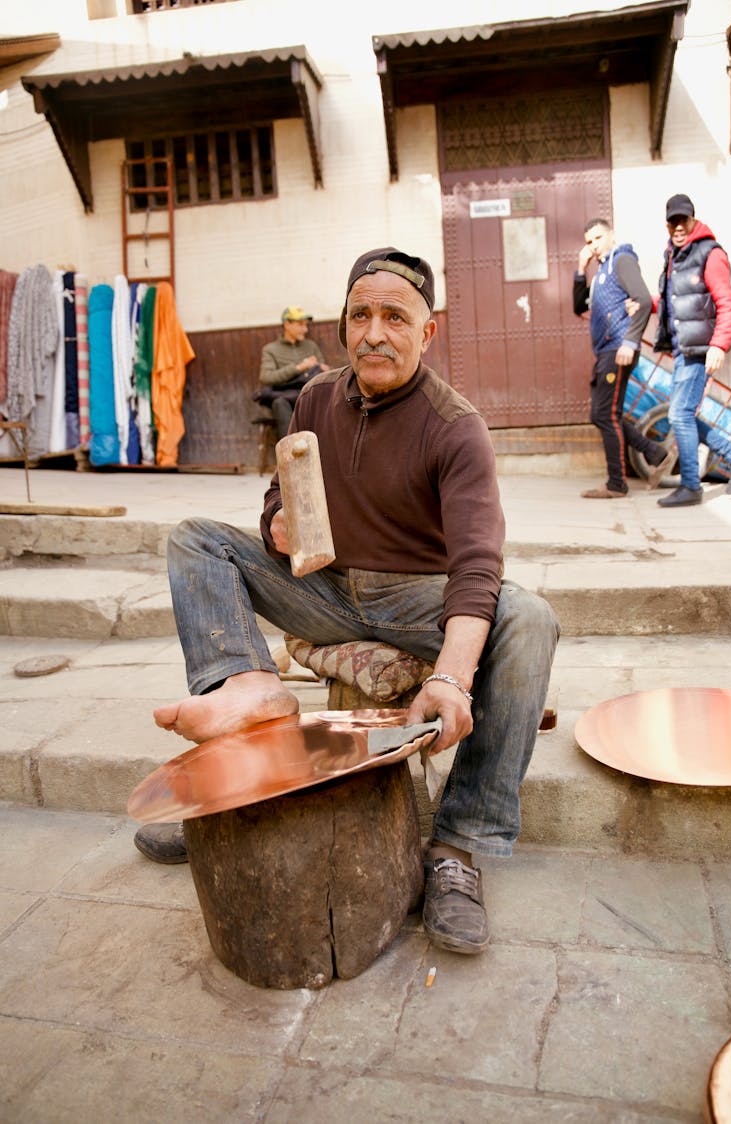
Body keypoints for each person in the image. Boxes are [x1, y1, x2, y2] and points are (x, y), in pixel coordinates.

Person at [134, 247, 560, 957]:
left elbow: (477, 564)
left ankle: (460, 843)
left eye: (396, 317)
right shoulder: (315, 398)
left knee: (530, 618)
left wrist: (452, 677)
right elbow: (281, 496)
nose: (373, 333)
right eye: (360, 315)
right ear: (343, 325)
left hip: (416, 600)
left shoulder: (456, 427)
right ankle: (245, 705)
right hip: (326, 590)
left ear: (427, 334)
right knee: (196, 540)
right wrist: (277, 525)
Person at [649, 193, 731, 506]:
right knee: (684, 416)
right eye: (673, 221)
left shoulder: (710, 253)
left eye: (684, 220)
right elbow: (676, 303)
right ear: (667, 224)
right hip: (683, 349)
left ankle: (692, 485)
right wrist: (644, 305)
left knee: (679, 415)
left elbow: (728, 304)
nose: (679, 226)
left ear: (694, 220)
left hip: (701, 350)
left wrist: (719, 345)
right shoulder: (673, 255)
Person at [573, 218, 667, 498]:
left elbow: (643, 300)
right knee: (601, 414)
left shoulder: (622, 260)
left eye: (598, 238)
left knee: (605, 414)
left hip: (618, 349)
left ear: (611, 235)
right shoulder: (602, 271)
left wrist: (630, 341)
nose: (594, 246)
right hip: (606, 352)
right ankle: (655, 452)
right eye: (589, 241)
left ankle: (617, 483)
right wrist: (581, 269)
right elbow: (579, 306)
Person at [256, 305, 329, 439]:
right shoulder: (270, 349)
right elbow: (266, 377)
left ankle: (324, 448)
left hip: (308, 392)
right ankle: (291, 452)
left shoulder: (311, 346)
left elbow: (323, 371)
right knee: (279, 403)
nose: (305, 329)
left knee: (325, 398)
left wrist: (323, 368)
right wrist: (299, 367)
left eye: (306, 325)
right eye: (300, 324)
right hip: (285, 395)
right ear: (287, 324)